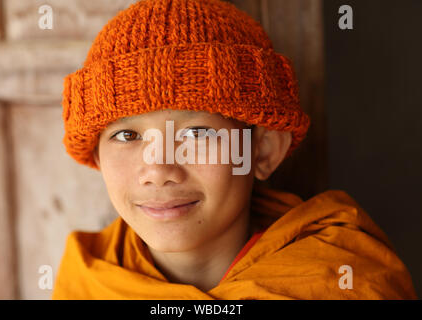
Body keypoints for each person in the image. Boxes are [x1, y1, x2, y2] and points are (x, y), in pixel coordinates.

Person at [52, 0, 417, 299]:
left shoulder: (343, 280)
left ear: (262, 152)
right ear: (97, 155)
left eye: (196, 133)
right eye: (128, 136)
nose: (159, 168)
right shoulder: (88, 280)